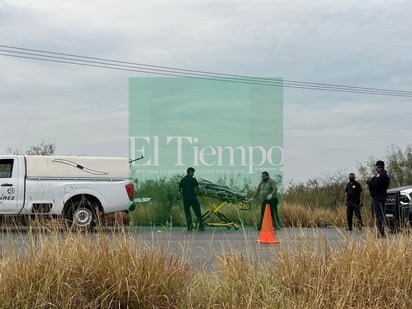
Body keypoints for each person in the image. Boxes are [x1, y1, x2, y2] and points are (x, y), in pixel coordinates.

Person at [366, 160, 390, 238]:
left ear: (378, 166)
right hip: (383, 196)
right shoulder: (386, 175)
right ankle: (381, 231)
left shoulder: (380, 175)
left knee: (378, 215)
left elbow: (375, 185)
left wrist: (368, 182)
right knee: (381, 214)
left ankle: (381, 233)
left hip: (378, 197)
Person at [178, 167, 205, 231]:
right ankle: (201, 226)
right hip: (193, 198)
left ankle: (189, 227)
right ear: (190, 172)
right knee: (198, 212)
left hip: (185, 199)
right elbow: (197, 189)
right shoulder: (193, 180)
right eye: (193, 172)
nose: (193, 174)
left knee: (187, 213)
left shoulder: (182, 180)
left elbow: (180, 191)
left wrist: (181, 196)